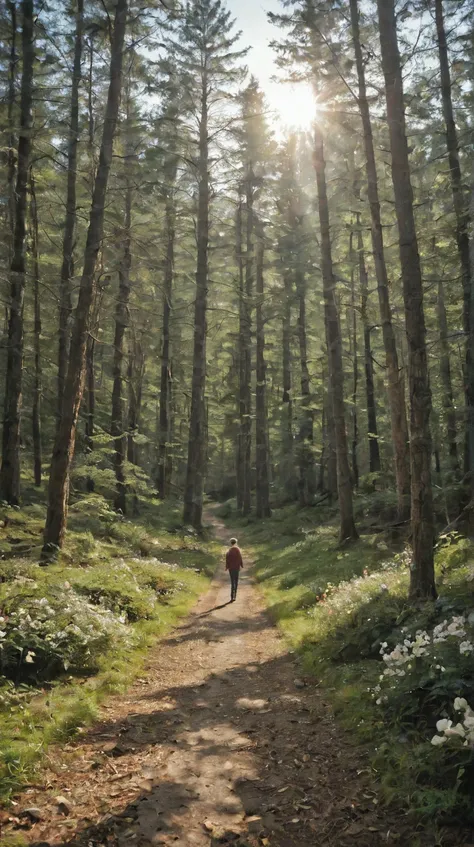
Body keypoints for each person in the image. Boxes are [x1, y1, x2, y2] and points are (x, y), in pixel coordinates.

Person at [225, 537, 243, 602]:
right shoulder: (238, 550)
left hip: (231, 568)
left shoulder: (229, 551)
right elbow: (240, 558)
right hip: (236, 568)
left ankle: (232, 596)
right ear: (236, 543)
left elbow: (227, 559)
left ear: (230, 543)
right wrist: (241, 565)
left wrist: (227, 567)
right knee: (236, 581)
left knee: (232, 582)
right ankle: (235, 596)